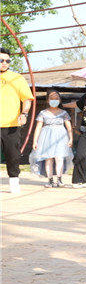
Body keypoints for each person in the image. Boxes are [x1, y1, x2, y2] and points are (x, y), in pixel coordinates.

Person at [0, 47, 34, 194]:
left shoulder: (17, 78)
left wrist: (24, 113)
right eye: (1, 60)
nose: (4, 63)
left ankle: (14, 181)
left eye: (7, 61)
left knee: (12, 156)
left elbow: (26, 98)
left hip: (11, 125)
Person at [29, 89, 74, 188]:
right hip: (46, 137)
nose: (54, 100)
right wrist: (35, 141)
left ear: (60, 100)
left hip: (61, 137)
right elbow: (38, 127)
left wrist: (71, 138)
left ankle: (59, 179)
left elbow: (69, 127)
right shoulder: (43, 113)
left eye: (56, 98)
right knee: (48, 158)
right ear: (47, 100)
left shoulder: (64, 113)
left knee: (59, 157)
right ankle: (50, 180)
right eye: (52, 98)